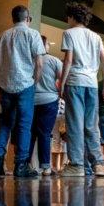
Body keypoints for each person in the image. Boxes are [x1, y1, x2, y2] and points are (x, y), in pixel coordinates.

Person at [0, 5, 45, 178]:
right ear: (27, 18)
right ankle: (21, 165)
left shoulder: (2, 36)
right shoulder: (33, 34)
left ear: (13, 18)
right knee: (24, 126)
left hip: (6, 85)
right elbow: (39, 63)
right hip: (25, 85)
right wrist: (34, 82)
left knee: (6, 123)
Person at [58, 2, 104, 177]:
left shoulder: (69, 33)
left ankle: (77, 165)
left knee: (75, 124)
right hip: (92, 84)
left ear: (72, 17)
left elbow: (68, 60)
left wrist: (62, 83)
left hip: (75, 82)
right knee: (91, 124)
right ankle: (99, 165)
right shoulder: (96, 36)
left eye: (68, 16)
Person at [28, 35, 62, 176]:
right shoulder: (54, 60)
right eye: (48, 44)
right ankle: (46, 167)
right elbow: (62, 78)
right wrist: (60, 93)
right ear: (45, 46)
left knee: (30, 134)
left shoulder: (30, 60)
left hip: (31, 100)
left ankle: (26, 164)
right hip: (49, 99)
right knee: (45, 133)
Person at [51, 99, 68, 172]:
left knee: (63, 144)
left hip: (63, 117)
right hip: (55, 119)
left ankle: (62, 166)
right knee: (54, 143)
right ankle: (55, 167)